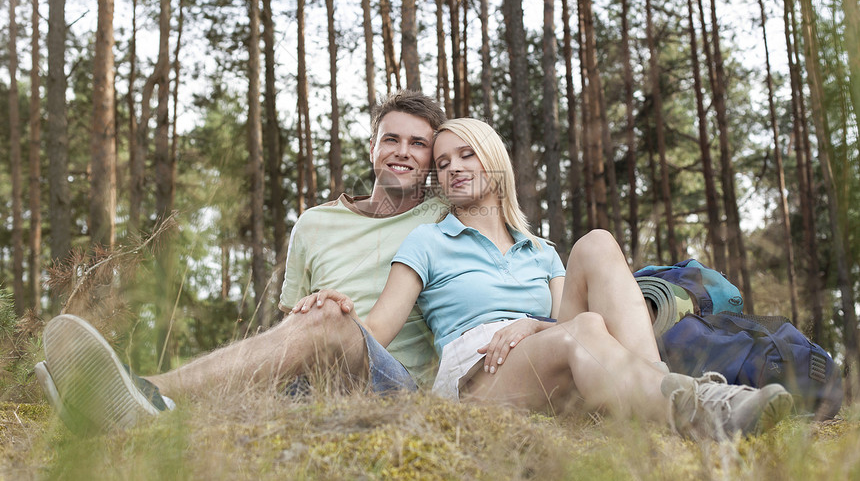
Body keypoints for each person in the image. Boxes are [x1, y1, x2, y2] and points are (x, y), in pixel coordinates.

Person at [294, 118, 793, 441]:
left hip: (550, 350)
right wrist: (333, 312)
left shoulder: (541, 251)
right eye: (443, 164)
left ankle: (664, 399)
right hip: (479, 377)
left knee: (596, 243)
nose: (454, 168)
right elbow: (378, 330)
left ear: (493, 159)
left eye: (467, 154)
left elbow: (563, 323)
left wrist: (533, 326)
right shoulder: (428, 241)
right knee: (580, 331)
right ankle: (701, 409)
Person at [37, 89, 448, 434]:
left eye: (418, 144)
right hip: (311, 386)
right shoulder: (314, 223)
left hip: (392, 383)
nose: (403, 152)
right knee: (227, 414)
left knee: (327, 313)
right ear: (372, 146)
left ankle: (148, 389)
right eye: (391, 139)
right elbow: (292, 332)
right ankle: (102, 414)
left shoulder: (443, 217)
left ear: (432, 158)